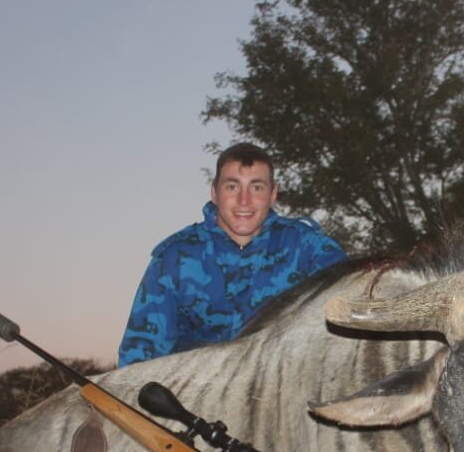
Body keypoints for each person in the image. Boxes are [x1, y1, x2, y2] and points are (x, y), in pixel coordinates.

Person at [118, 143, 346, 366]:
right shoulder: (174, 257)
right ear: (215, 192)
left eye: (256, 187)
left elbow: (345, 330)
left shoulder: (310, 248)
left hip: (287, 392)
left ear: (273, 193)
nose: (244, 201)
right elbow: (140, 353)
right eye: (232, 186)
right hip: (195, 395)